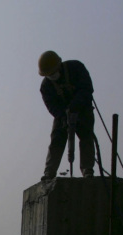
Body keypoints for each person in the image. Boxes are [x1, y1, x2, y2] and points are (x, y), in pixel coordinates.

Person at [38, 50, 95, 180]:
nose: (51, 76)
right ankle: (49, 172)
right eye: (48, 74)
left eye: (53, 72)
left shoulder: (76, 68)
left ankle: (87, 170)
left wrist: (75, 106)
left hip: (82, 110)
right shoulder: (46, 86)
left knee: (86, 137)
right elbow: (51, 106)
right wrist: (63, 117)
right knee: (57, 139)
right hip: (62, 115)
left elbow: (87, 89)